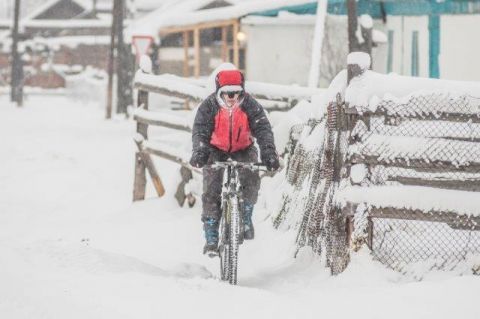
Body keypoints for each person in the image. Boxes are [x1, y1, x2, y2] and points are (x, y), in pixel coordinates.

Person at [189, 69, 280, 256]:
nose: (231, 97)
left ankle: (245, 216)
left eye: (236, 92)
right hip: (215, 149)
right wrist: (200, 152)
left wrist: (269, 153)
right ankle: (212, 234)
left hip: (243, 148)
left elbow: (263, 129)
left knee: (252, 178)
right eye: (227, 92)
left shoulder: (250, 105)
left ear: (242, 91)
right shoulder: (209, 107)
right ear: (219, 91)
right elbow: (200, 131)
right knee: (211, 189)